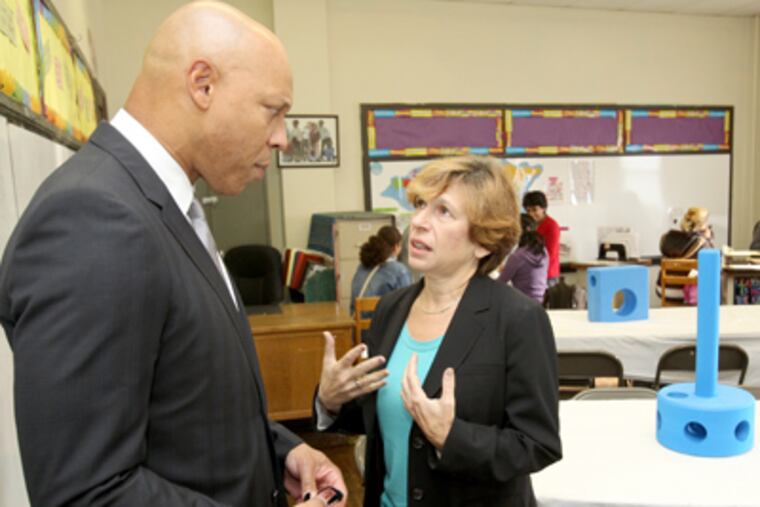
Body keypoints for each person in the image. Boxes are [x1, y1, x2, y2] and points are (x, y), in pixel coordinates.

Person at [0, 3, 345, 507]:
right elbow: (87, 492)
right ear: (202, 84)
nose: (281, 137)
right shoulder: (95, 220)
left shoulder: (166, 206)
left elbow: (185, 408)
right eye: (273, 110)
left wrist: (283, 452)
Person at [317, 156, 562, 506]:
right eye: (419, 206)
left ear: (483, 241)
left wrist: (451, 437)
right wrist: (331, 400)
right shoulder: (391, 309)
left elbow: (537, 444)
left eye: (443, 211)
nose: (417, 221)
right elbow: (379, 414)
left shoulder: (519, 319)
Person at [656, 206, 715, 304]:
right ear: (703, 225)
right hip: (686, 293)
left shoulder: (667, 238)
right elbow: (712, 262)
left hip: (662, 289)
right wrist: (709, 239)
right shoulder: (702, 243)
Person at [350, 225, 412, 314]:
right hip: (383, 326)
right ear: (396, 247)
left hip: (358, 324)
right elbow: (407, 304)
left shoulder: (362, 266)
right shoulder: (399, 270)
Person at [497, 213, 549, 303]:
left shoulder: (518, 256)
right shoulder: (544, 251)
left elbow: (500, 282)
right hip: (541, 301)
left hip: (522, 303)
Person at [523, 190, 561, 286]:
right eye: (528, 211)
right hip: (533, 272)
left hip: (548, 275)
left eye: (535, 210)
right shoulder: (529, 225)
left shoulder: (552, 226)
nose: (531, 214)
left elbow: (550, 254)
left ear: (543, 208)